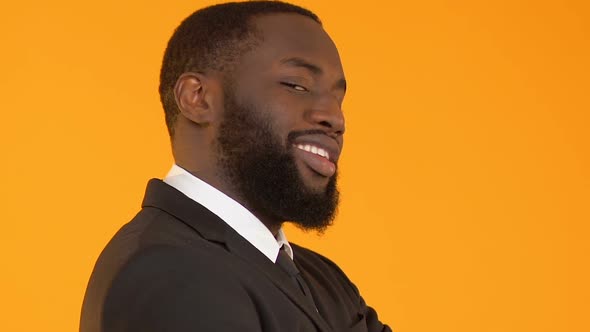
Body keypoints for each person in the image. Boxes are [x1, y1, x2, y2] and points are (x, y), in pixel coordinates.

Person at [80, 1, 391, 331]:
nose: (335, 118)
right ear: (198, 98)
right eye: (297, 85)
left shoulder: (324, 280)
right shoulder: (169, 273)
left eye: (338, 98)